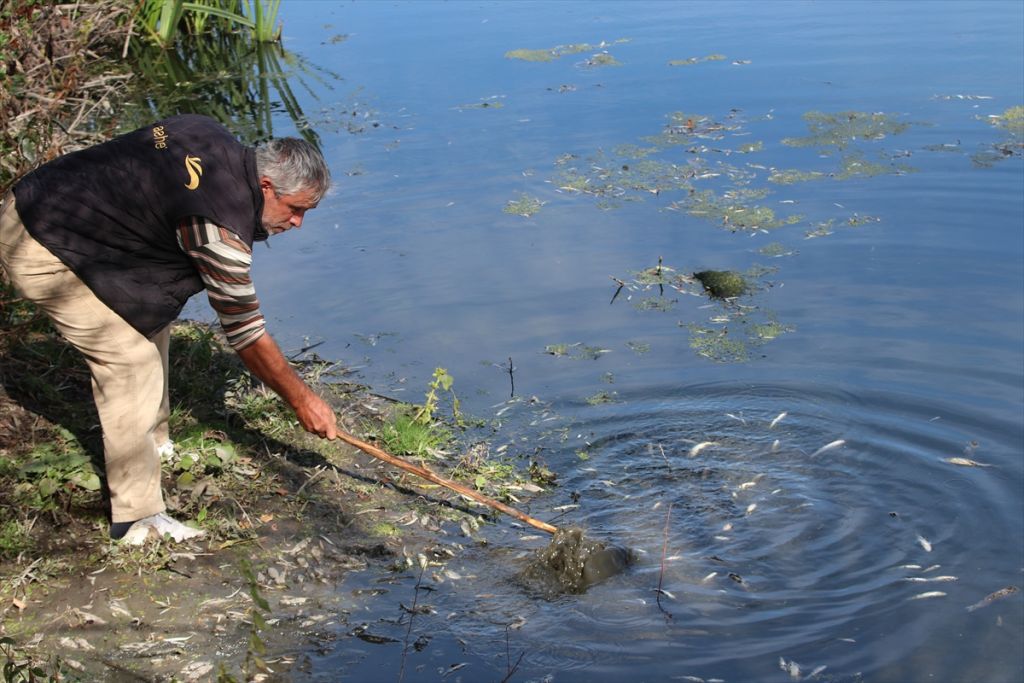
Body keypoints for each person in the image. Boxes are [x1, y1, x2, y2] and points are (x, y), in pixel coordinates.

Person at [0, 114, 339, 545]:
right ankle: (137, 519)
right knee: (130, 360)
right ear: (268, 186)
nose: (297, 224)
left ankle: (155, 443)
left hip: (52, 204)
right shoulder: (218, 229)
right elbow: (246, 334)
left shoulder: (207, 131)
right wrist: (303, 400)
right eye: (296, 210)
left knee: (147, 316)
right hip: (39, 240)